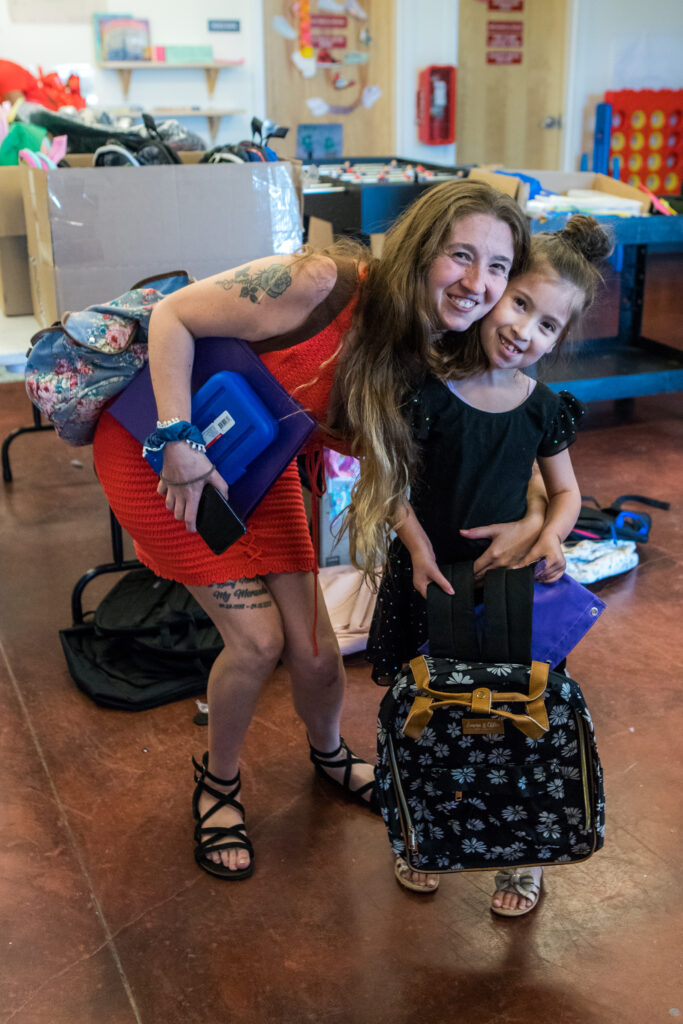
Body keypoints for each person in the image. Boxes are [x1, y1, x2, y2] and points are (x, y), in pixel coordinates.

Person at [92, 178, 547, 882]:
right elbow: (174, 318)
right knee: (258, 643)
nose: (476, 283)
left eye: (496, 268)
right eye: (461, 256)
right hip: (161, 445)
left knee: (313, 651)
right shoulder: (318, 282)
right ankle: (218, 784)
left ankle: (329, 754)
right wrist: (178, 444)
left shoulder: (437, 354)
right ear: (422, 249)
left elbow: (490, 452)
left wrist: (542, 520)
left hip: (261, 459)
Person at [365, 214, 612, 911]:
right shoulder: (426, 396)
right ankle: (427, 832)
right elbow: (388, 486)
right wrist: (414, 547)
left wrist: (545, 535)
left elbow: (565, 493)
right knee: (429, 709)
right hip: (430, 581)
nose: (524, 330)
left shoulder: (544, 409)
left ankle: (523, 858)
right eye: (520, 303)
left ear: (560, 341)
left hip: (508, 594)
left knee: (515, 715)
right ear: (492, 291)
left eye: (547, 325)